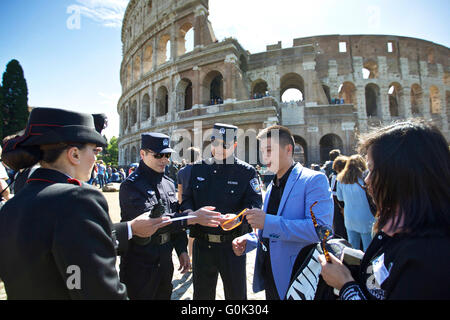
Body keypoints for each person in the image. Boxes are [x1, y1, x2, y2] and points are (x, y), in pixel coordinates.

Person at [0, 108, 137, 299]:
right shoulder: (78, 199)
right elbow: (100, 291)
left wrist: (130, 228)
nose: (95, 159)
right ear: (74, 154)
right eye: (94, 151)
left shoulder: (10, 207)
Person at [319, 120, 450, 300]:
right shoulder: (399, 226)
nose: (366, 180)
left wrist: (345, 285)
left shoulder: (429, 258)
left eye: (372, 170)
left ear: (400, 174)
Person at [232, 125, 333, 300]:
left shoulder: (314, 180)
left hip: (297, 277)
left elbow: (321, 231)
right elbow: (271, 230)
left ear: (288, 149)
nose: (264, 157)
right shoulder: (272, 186)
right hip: (271, 276)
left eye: (269, 150)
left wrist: (267, 222)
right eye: (262, 151)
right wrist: (248, 240)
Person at [119, 133, 223, 300]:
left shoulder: (167, 182)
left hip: (165, 262)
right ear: (143, 154)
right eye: (158, 155)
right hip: (140, 262)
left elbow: (175, 216)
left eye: (167, 155)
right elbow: (153, 223)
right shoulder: (131, 186)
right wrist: (193, 217)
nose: (164, 159)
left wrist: (181, 249)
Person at [181, 123, 263, 300]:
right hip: (203, 246)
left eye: (224, 144)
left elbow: (255, 204)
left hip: (232, 246)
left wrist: (238, 218)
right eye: (215, 142)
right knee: (202, 296)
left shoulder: (246, 172)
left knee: (236, 296)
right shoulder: (197, 168)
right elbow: (186, 199)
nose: (219, 148)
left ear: (234, 145)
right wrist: (194, 215)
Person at [336, 154, 375, 251]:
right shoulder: (364, 178)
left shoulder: (340, 179)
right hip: (366, 216)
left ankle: (353, 266)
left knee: (352, 248)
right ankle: (367, 266)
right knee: (368, 248)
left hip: (350, 217)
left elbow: (340, 198)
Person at [177, 147, 201, 265]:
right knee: (197, 234)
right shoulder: (201, 169)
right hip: (199, 204)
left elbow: (180, 192)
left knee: (191, 234)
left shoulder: (181, 172)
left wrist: (181, 207)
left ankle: (191, 257)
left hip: (187, 206)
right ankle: (196, 258)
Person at [329, 155, 349, 240]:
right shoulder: (337, 177)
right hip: (341, 205)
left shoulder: (335, 176)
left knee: (340, 228)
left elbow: (333, 192)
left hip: (339, 205)